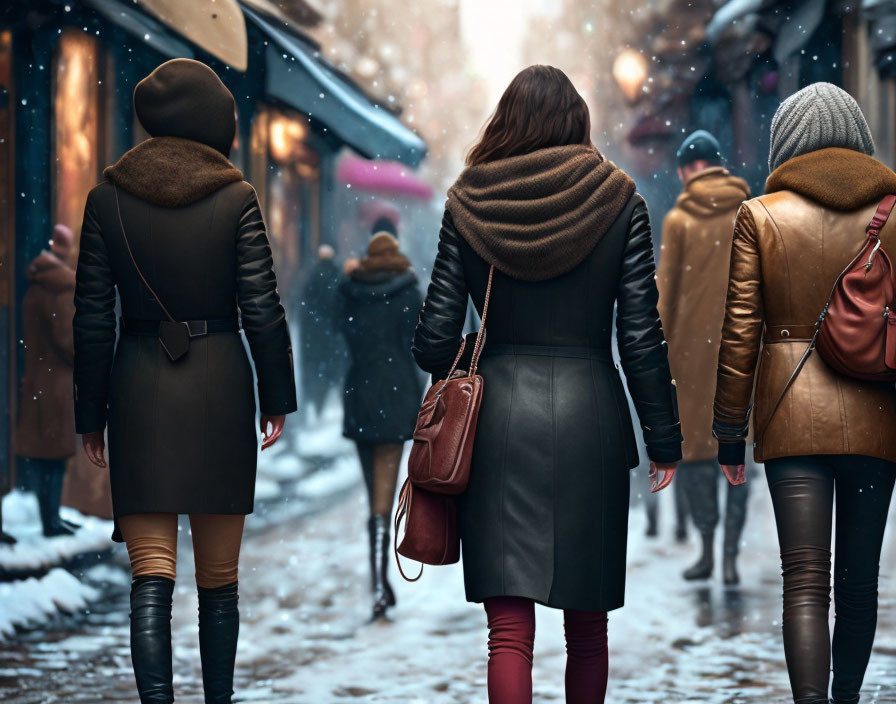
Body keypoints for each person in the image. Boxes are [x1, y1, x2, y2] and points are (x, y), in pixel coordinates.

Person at [413, 65, 683, 703]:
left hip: (497, 426)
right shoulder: (621, 203)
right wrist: (663, 438)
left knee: (508, 634)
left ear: (505, 122)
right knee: (587, 630)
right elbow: (641, 336)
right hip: (591, 418)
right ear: (578, 123)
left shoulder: (467, 204)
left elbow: (431, 341)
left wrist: (483, 350)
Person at [73, 59, 297, 704]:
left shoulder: (105, 199)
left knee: (150, 577)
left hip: (138, 391)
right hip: (221, 390)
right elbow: (262, 305)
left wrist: (91, 412)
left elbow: (93, 318)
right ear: (214, 124)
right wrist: (277, 395)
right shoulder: (236, 198)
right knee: (218, 583)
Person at [713, 82, 896, 704]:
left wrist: (729, 432)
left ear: (785, 142)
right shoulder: (894, 215)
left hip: (791, 416)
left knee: (805, 582)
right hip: (878, 413)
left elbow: (741, 332)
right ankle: (845, 697)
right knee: (859, 581)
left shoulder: (760, 216)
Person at [658, 130, 751, 584]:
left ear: (685, 171)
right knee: (735, 453)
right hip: (741, 352)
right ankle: (732, 556)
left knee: (696, 455)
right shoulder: (749, 211)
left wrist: (657, 355)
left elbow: (665, 297)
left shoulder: (679, 220)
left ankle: (708, 549)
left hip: (690, 358)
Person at [337, 230, 422, 620]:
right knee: (383, 495)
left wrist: (347, 275)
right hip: (396, 391)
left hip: (360, 392)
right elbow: (418, 343)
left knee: (373, 487)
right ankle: (378, 582)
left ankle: (377, 580)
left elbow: (336, 327)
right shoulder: (407, 291)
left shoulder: (350, 290)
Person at [15, 223, 79, 537]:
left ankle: (51, 518)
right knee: (55, 455)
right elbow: (67, 340)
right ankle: (51, 521)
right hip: (57, 382)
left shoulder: (35, 284)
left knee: (45, 454)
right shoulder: (61, 287)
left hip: (39, 378)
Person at [299, 244, 346, 422]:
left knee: (319, 375)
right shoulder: (338, 276)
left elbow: (305, 307)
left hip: (316, 335)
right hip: (333, 335)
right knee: (336, 372)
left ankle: (317, 410)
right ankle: (337, 411)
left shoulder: (311, 277)